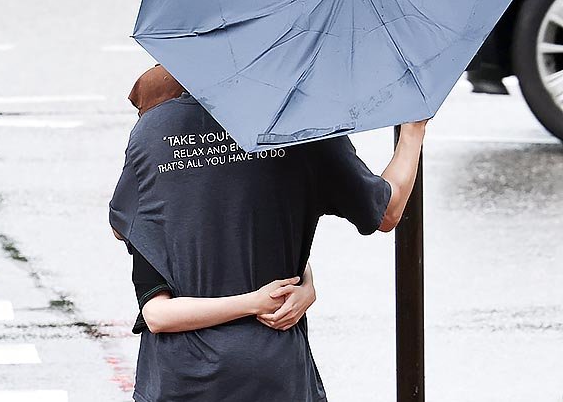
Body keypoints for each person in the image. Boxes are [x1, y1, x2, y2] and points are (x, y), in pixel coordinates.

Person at [109, 64, 427, 402]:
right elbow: (386, 210)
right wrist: (413, 131)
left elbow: (127, 225)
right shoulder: (302, 125)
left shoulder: (153, 129)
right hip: (272, 369)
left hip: (178, 378)